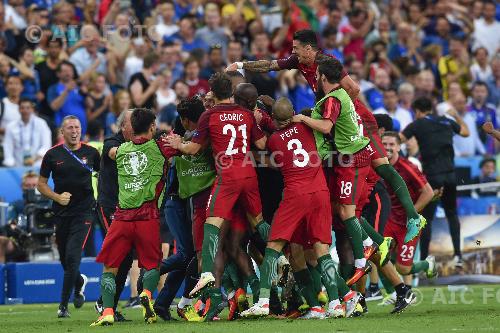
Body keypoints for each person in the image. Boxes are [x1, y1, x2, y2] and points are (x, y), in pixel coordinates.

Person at [242, 97, 361, 320]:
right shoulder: (308, 128)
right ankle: (336, 303)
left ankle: (263, 301)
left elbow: (270, 156)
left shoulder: (275, 139)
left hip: (295, 194)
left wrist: (259, 124)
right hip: (320, 192)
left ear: (276, 119)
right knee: (321, 249)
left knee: (273, 246)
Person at [165, 74, 269, 321]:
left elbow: (193, 149)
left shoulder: (208, 116)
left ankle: (209, 280)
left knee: (212, 230)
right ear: (231, 90)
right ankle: (278, 262)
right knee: (257, 228)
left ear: (212, 91)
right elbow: (263, 144)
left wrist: (177, 143)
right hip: (249, 175)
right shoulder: (244, 113)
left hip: (227, 179)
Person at [291, 57, 376, 286]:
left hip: (353, 160)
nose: (315, 78)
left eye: (317, 75)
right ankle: (367, 244)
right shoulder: (341, 95)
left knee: (347, 212)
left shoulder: (333, 99)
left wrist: (302, 118)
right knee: (343, 209)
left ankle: (363, 258)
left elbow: (327, 126)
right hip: (351, 157)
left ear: (323, 78)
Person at [91, 108, 178, 326]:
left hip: (121, 217)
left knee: (110, 267)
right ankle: (147, 294)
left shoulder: (120, 151)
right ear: (151, 127)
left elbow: (109, 153)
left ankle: (108, 311)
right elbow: (186, 148)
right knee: (152, 264)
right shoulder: (160, 147)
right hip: (147, 216)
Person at [37, 115, 100, 318]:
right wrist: (56, 196)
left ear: (81, 130)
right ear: (62, 132)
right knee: (65, 259)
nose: (74, 131)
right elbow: (41, 184)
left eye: (77, 127)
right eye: (70, 128)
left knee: (73, 256)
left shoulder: (91, 153)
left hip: (84, 212)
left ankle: (63, 306)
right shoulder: (52, 155)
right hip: (61, 213)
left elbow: (104, 177)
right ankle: (79, 282)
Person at [401, 97, 469, 268]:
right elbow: (466, 133)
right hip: (451, 176)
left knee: (427, 218)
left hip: (433, 177)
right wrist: (456, 116)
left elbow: (399, 138)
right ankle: (458, 256)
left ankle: (424, 258)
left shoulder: (417, 124)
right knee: (452, 214)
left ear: (417, 111)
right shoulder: (447, 121)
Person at [381, 132, 437, 283]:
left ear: (399, 147)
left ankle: (427, 264)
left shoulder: (408, 167)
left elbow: (428, 192)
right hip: (387, 220)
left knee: (403, 268)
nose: (388, 147)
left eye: (392, 144)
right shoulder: (376, 165)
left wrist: (412, 214)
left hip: (408, 224)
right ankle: (394, 293)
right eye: (384, 144)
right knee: (378, 256)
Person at [2, 98, 51, 167]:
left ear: (32, 109)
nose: (25, 110)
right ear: (18, 109)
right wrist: (11, 164)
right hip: (17, 166)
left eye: (28, 108)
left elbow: (46, 145)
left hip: (38, 165)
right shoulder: (11, 126)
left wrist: (34, 160)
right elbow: (7, 147)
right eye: (22, 108)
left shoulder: (41, 123)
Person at [47, 61, 87, 136]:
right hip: (63, 131)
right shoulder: (53, 88)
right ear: (58, 74)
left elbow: (89, 105)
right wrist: (67, 91)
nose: (68, 73)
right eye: (65, 71)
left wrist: (86, 94)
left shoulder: (79, 88)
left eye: (70, 71)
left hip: (82, 129)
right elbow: (54, 107)